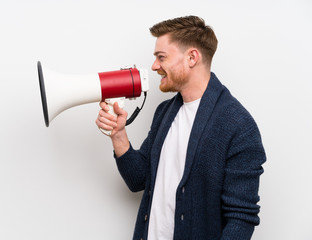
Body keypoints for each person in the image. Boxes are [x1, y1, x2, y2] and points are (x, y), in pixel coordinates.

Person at [96, 15, 266, 240]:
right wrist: (118, 135)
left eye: (161, 57)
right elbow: (138, 180)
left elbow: (241, 218)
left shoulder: (239, 126)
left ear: (192, 57)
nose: (155, 66)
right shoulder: (165, 112)